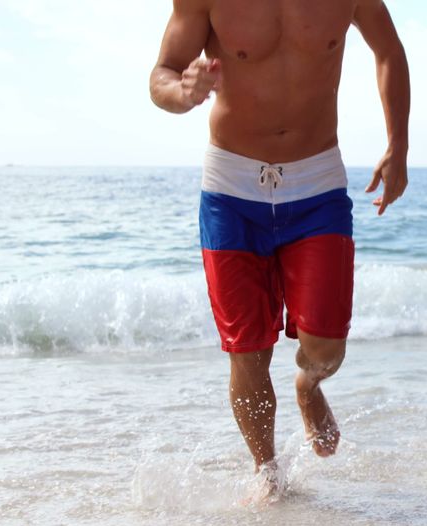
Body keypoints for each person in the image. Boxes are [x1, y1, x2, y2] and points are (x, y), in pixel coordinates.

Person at [148, 0, 410, 485]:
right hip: (231, 188)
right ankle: (268, 473)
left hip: (317, 183)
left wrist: (398, 145)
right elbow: (161, 73)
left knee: (327, 347)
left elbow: (388, 50)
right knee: (246, 349)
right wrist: (182, 91)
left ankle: (308, 385)